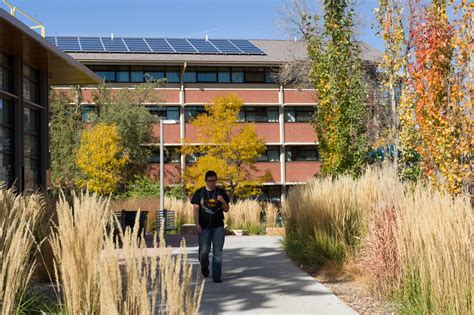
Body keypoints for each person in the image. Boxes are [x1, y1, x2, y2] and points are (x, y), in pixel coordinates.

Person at [191, 170, 230, 283]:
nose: (211, 183)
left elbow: (227, 209)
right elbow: (195, 209)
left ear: (216, 180)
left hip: (218, 226)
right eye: (209, 181)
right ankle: (204, 266)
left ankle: (216, 275)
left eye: (213, 181)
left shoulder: (221, 192)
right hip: (204, 227)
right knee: (204, 251)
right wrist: (197, 223)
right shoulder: (199, 193)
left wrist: (222, 201)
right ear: (205, 181)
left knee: (217, 251)